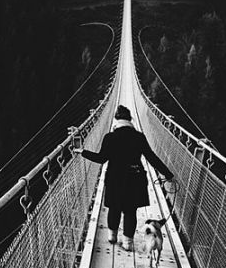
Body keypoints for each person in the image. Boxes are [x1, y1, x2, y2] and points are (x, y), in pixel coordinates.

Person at [73, 105, 174, 250]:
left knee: (114, 207)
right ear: (130, 119)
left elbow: (101, 159)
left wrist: (83, 152)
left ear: (116, 120)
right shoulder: (139, 137)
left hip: (115, 178)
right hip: (135, 178)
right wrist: (168, 174)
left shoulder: (110, 137)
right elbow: (152, 158)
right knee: (130, 211)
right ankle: (127, 243)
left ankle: (112, 237)